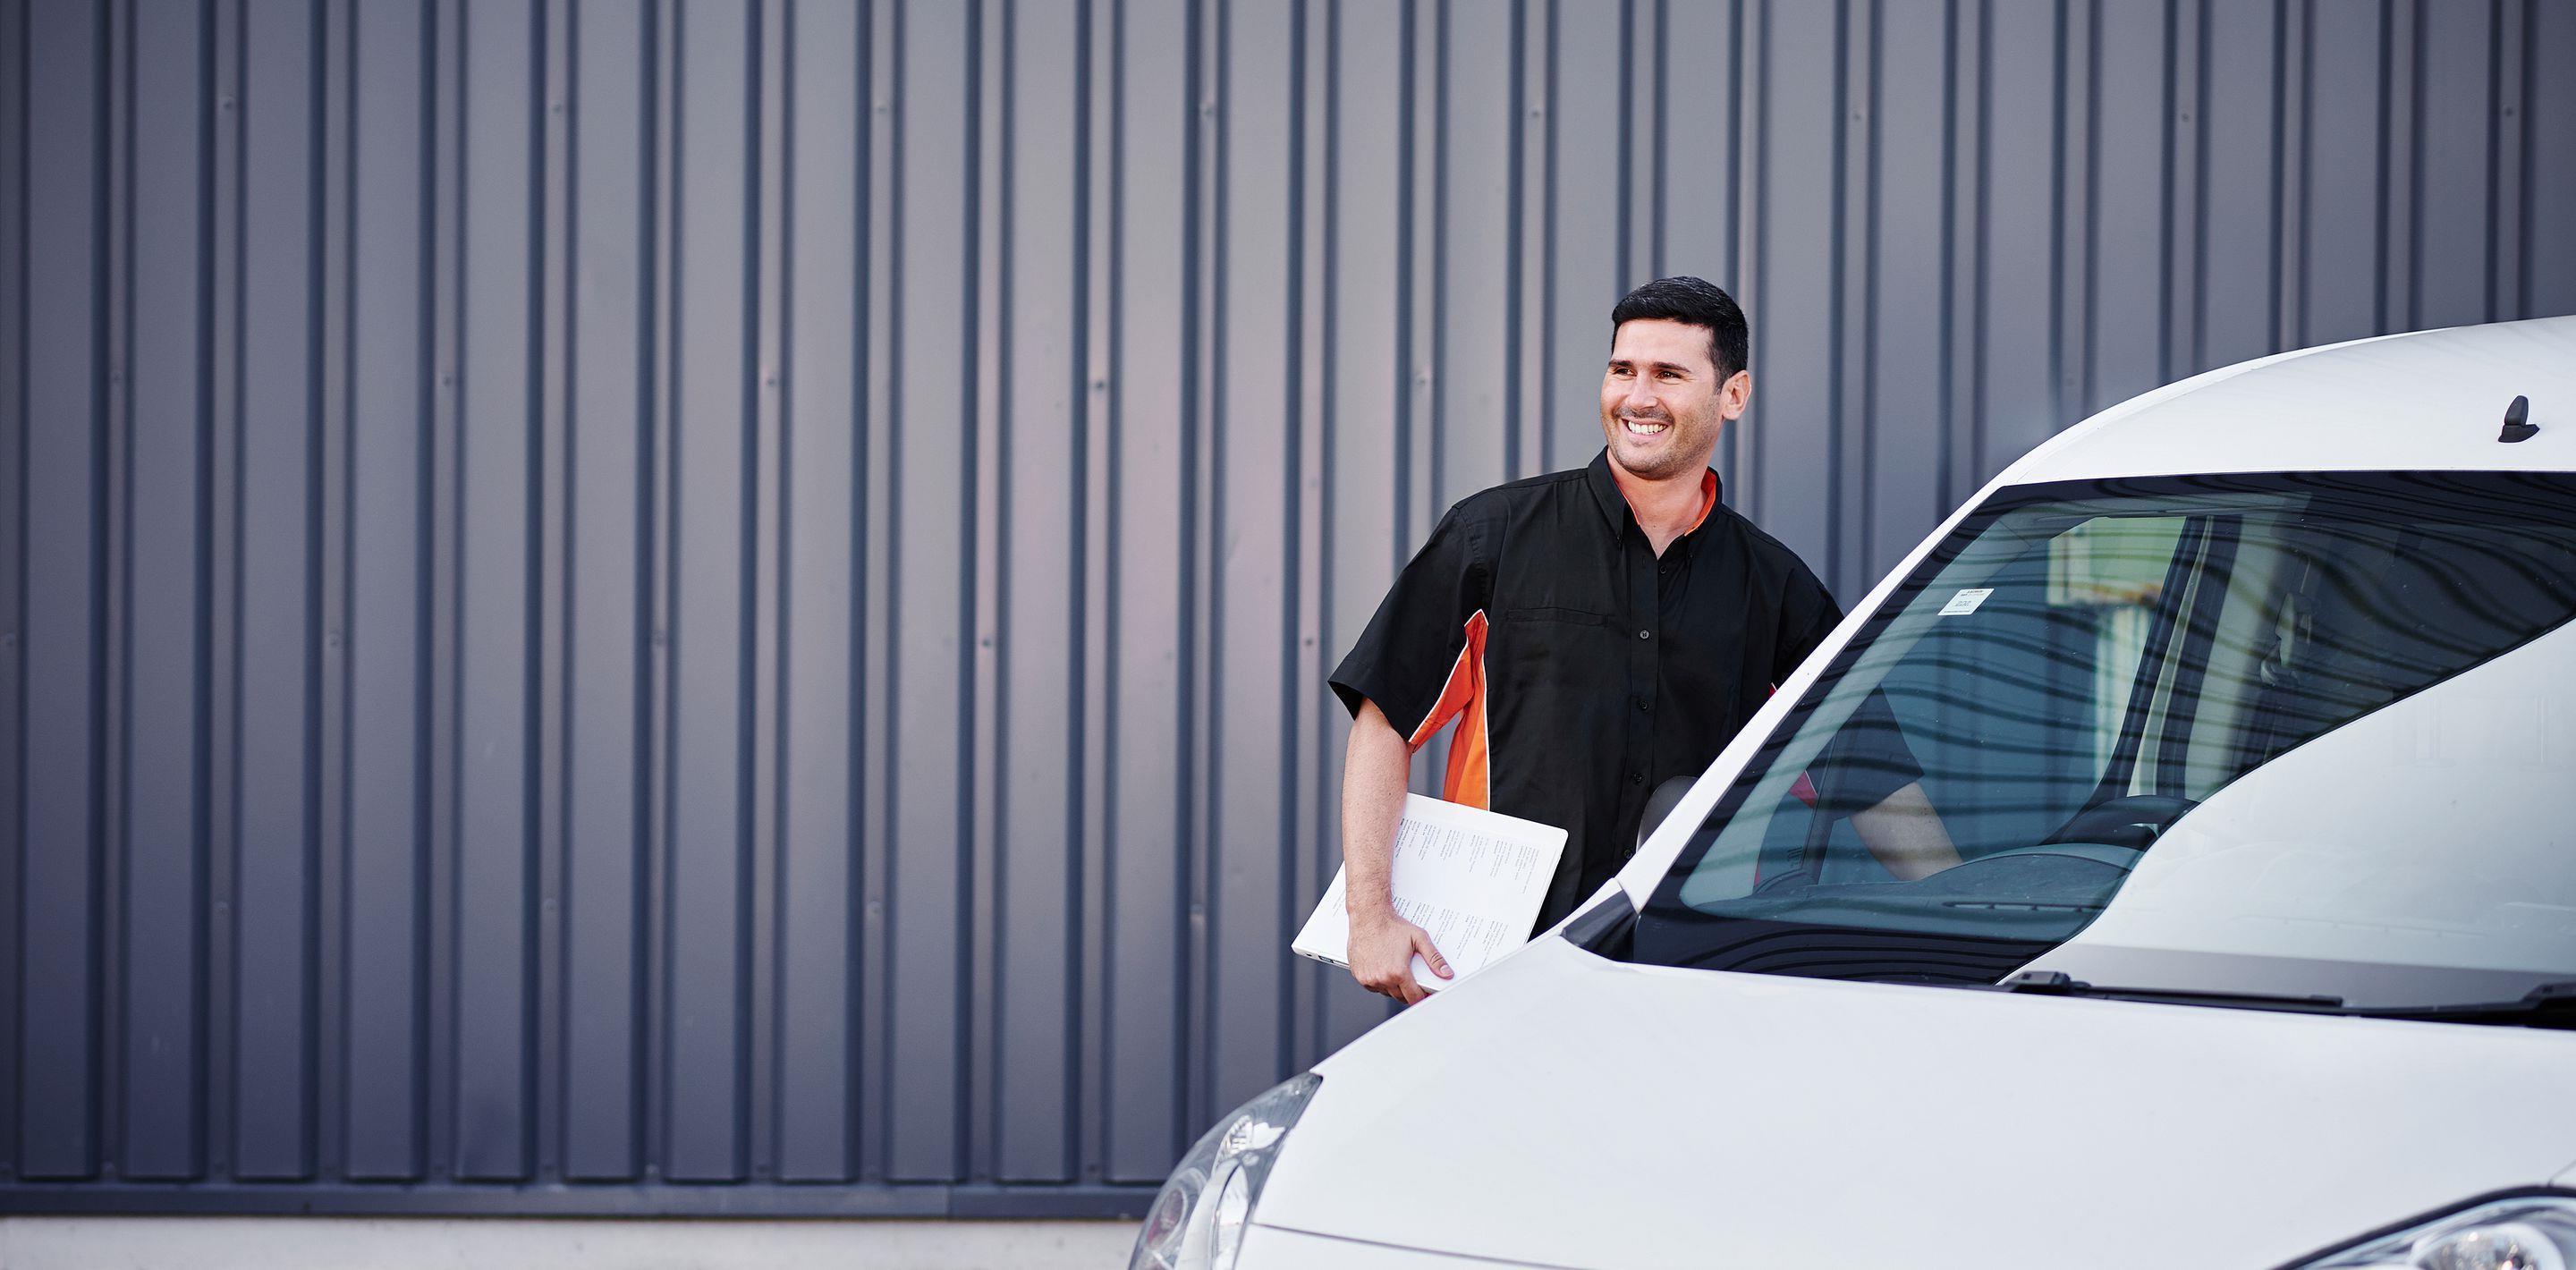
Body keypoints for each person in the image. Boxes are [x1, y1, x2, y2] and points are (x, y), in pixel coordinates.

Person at [1329, 276, 1960, 1003]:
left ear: (1734, 395)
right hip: (1497, 972)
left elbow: (1871, 771)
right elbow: (1385, 721)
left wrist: (1969, 922)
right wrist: (1369, 915)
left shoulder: (1774, 586)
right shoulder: (1493, 538)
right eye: (1622, 369)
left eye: (1668, 374)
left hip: (1689, 980)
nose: (1637, 396)